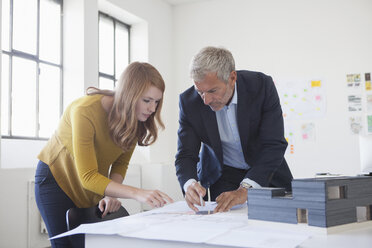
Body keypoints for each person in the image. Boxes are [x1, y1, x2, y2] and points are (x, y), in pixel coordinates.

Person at [35, 62, 173, 247]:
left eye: (157, 101)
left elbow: (120, 164)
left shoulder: (136, 119)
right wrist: (138, 193)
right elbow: (88, 176)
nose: (152, 109)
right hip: (55, 181)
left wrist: (112, 194)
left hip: (90, 187)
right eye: (147, 100)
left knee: (90, 243)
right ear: (129, 95)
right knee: (64, 245)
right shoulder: (84, 111)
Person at [175, 46, 293, 213]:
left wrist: (246, 189)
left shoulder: (261, 87)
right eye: (200, 91)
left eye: (212, 91)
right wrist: (189, 184)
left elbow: (274, 144)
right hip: (222, 176)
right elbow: (186, 154)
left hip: (266, 172)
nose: (206, 100)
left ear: (232, 77)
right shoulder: (189, 102)